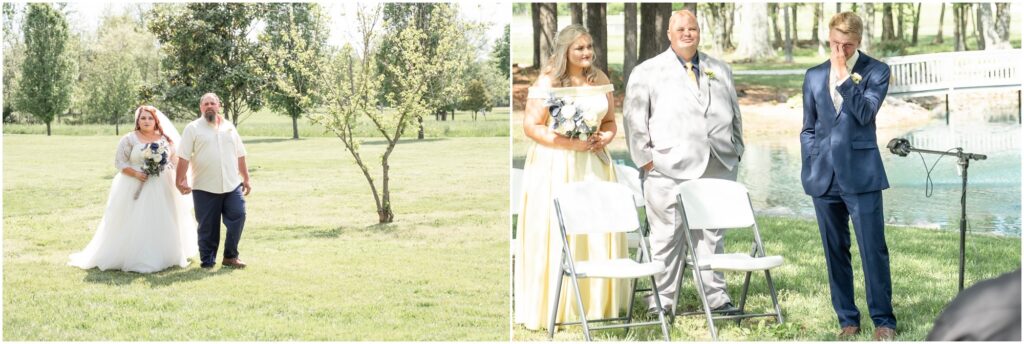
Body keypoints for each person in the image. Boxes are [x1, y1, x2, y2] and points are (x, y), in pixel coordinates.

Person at [623, 9, 744, 316]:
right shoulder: (647, 71)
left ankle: (716, 298)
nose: (687, 33)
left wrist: (736, 150)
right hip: (667, 168)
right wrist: (647, 162)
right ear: (669, 34)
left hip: (718, 163)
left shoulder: (720, 68)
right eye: (681, 29)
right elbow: (634, 122)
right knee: (666, 237)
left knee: (713, 235)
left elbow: (735, 114)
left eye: (692, 28)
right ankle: (661, 303)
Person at [513, 24, 627, 331]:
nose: (587, 52)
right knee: (558, 230)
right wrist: (571, 143)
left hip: (595, 164)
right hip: (556, 166)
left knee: (597, 228)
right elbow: (532, 127)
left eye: (589, 47)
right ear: (565, 51)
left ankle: (597, 305)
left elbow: (610, 120)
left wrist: (605, 136)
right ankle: (559, 305)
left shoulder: (600, 78)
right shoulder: (548, 80)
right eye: (580, 48)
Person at [800, 12, 896, 341]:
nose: (840, 50)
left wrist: (843, 76)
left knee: (873, 249)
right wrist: (810, 163)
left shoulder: (877, 71)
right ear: (829, 38)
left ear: (858, 42)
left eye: (848, 45)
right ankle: (847, 319)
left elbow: (865, 113)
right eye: (835, 43)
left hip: (862, 175)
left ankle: (884, 320)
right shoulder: (813, 76)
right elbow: (808, 128)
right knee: (834, 251)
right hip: (823, 178)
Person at [69, 106, 199, 273]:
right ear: (137, 121)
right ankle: (132, 255)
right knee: (136, 219)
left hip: (162, 186)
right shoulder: (129, 139)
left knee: (160, 218)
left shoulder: (165, 139)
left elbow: (173, 160)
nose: (146, 121)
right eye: (143, 118)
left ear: (156, 121)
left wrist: (179, 179)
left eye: (150, 118)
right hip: (133, 184)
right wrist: (136, 173)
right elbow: (120, 163)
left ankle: (163, 255)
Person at [176, 93, 251, 269]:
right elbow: (183, 157)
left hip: (232, 185)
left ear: (219, 106)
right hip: (204, 186)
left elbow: (240, 155)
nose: (209, 106)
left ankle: (230, 256)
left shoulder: (229, 127)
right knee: (207, 226)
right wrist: (180, 180)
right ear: (201, 108)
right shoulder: (192, 128)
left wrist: (246, 178)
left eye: (212, 103)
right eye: (206, 104)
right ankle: (208, 260)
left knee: (239, 216)